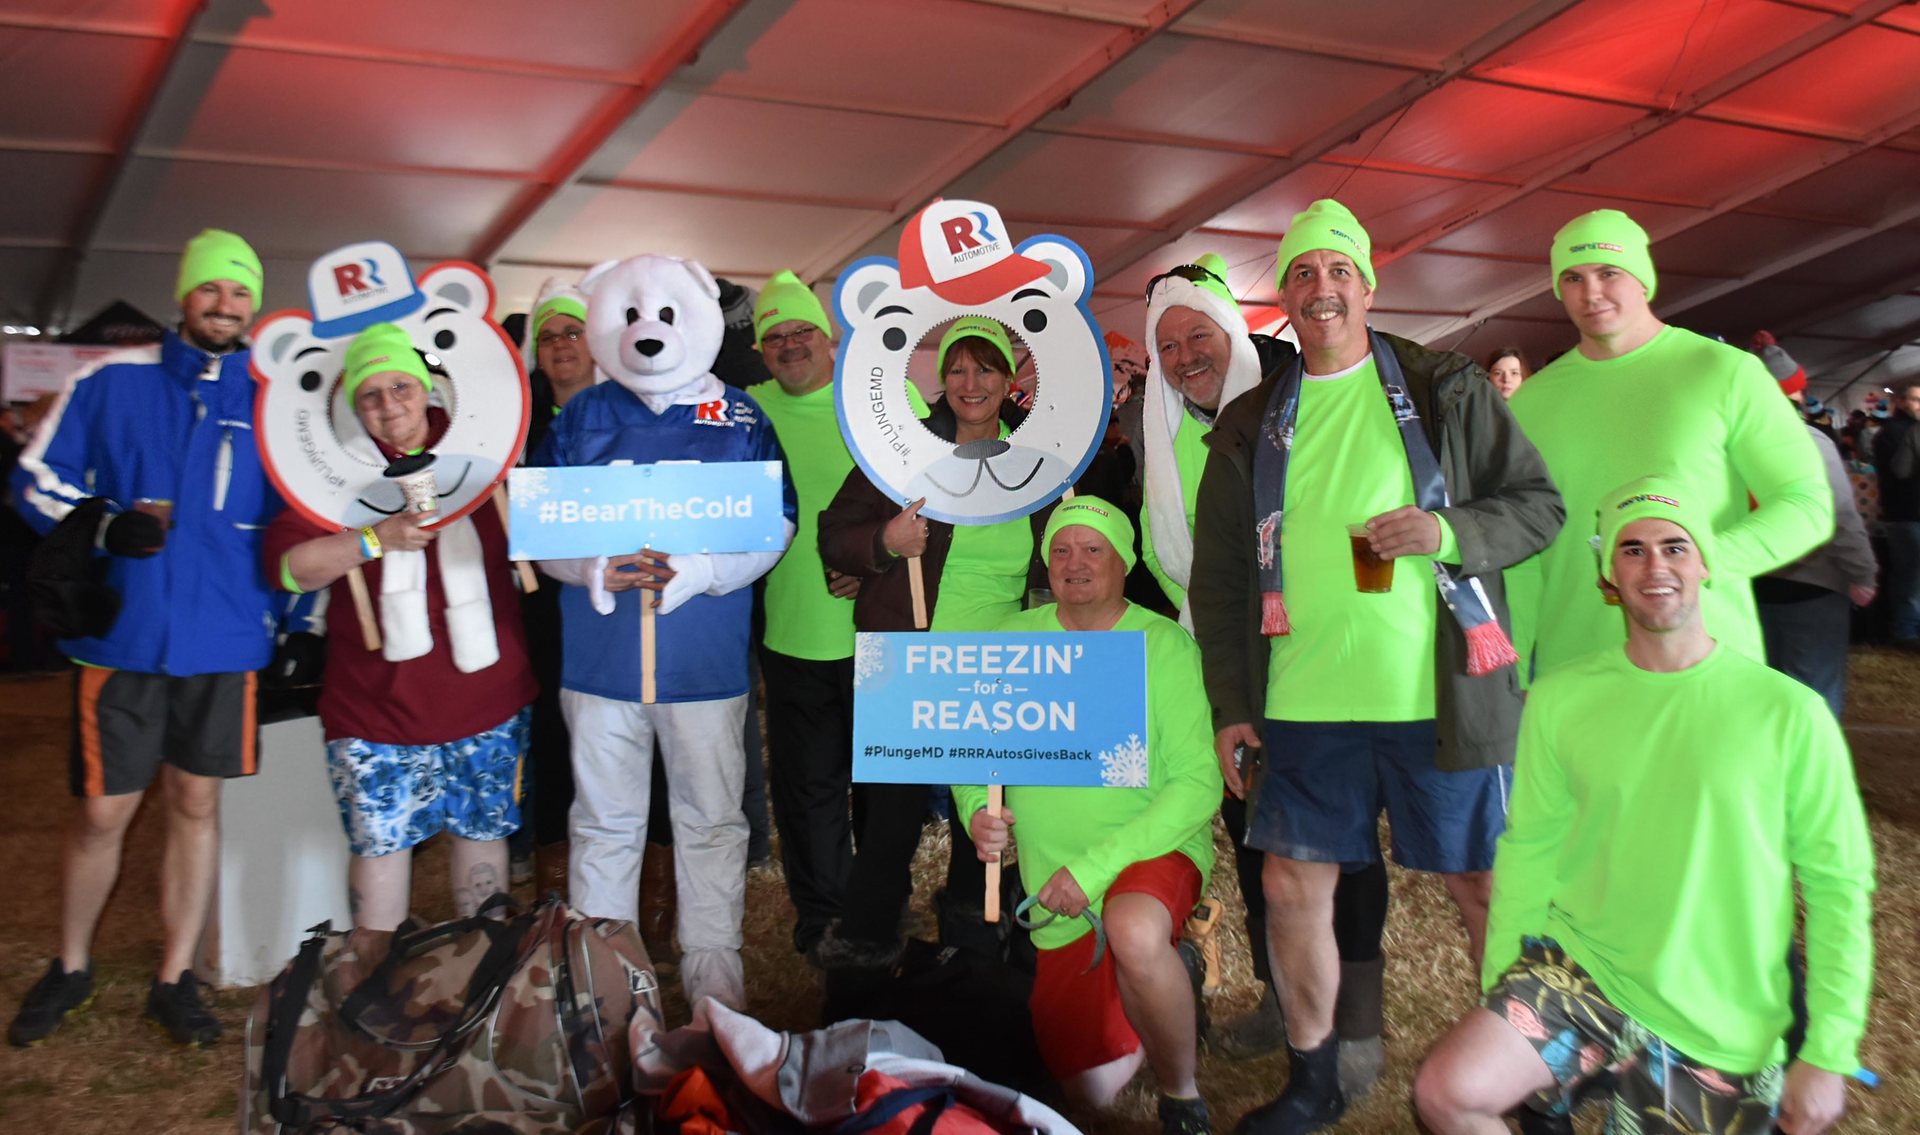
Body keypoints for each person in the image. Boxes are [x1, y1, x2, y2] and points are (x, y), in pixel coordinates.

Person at [1188, 199, 1563, 1134]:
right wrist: (1234, 704)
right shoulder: (1248, 424)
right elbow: (1223, 581)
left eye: (1338, 271)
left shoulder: (1445, 388)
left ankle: (1534, 1084)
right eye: (1303, 274)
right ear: (1283, 294)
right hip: (1306, 705)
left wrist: (1447, 530)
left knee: (1484, 886)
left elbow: (1537, 506)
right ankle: (1312, 1079)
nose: (1322, 289)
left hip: (1440, 697)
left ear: (1369, 283)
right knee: (1288, 885)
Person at [1414, 477, 1875, 1135]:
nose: (1655, 566)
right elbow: (1529, 848)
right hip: (1584, 970)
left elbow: (1840, 889)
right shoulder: (1560, 697)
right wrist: (1503, 981)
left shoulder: (1789, 713)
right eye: (1632, 550)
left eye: (1675, 546)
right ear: (1609, 572)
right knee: (1446, 1091)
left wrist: (1828, 1052)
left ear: (1705, 562)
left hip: (1720, 1013)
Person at [9, 230, 279, 1047]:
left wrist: (300, 622)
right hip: (122, 637)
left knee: (198, 803)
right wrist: (99, 528)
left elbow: (294, 511)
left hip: (227, 638)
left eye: (240, 293)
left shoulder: (274, 396)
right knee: (102, 810)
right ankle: (71, 964)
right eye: (212, 289)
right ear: (184, 294)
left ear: (253, 306)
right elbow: (35, 478)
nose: (225, 305)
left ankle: (175, 976)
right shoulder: (109, 381)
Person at [1142, 252, 1391, 1078]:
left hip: (1315, 659)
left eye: (1199, 336)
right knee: (1257, 837)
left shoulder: (1293, 396)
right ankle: (1286, 999)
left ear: (1233, 331)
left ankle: (1354, 1023)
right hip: (1226, 657)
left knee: (1336, 844)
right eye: (1168, 346)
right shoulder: (1162, 427)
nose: (1185, 358)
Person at [532, 260, 795, 1010]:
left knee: (711, 821)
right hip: (601, 664)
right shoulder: (580, 418)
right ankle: (605, 996)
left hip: (702, 665)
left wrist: (706, 567)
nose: (651, 335)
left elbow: (777, 520)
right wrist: (587, 563)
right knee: (604, 824)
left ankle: (717, 990)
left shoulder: (741, 418)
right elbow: (543, 529)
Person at [264, 322, 537, 930]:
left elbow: (557, 536)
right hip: (374, 706)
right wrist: (372, 540)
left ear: (425, 388)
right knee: (381, 850)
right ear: (352, 404)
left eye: (401, 388)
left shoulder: (488, 450)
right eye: (371, 395)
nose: (389, 406)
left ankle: (484, 988)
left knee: (482, 837)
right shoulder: (327, 472)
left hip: (486, 697)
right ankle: (373, 996)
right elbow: (289, 569)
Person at [962, 497, 1219, 1135]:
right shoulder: (1011, 641)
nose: (1074, 564)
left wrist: (1095, 870)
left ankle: (1181, 1094)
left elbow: (1198, 783)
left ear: (1124, 562)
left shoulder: (1163, 646)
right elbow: (972, 751)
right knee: (1091, 1091)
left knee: (1133, 930)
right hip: (1057, 892)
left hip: (1147, 854)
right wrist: (975, 812)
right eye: (1060, 550)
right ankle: (1168, 972)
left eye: (1092, 550)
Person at [1505, 210, 1832, 678]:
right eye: (1572, 278)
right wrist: (1508, 670)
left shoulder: (1724, 372)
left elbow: (1805, 504)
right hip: (1576, 670)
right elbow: (1522, 548)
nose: (1590, 292)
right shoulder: (1531, 402)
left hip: (1710, 663)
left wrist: (1702, 562)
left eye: (1608, 272)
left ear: (1643, 280)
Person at [816, 315, 1051, 967]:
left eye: (985, 369)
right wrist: (882, 544)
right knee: (889, 823)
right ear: (941, 378)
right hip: (909, 660)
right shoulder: (904, 450)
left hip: (1001, 665)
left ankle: (973, 943)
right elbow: (834, 531)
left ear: (1009, 380)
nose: (970, 383)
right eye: (957, 369)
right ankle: (866, 942)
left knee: (991, 817)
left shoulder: (1040, 464)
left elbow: (1066, 555)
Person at [745, 271, 894, 957]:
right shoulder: (745, 412)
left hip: (881, 635)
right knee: (809, 792)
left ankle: (874, 913)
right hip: (792, 634)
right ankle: (821, 918)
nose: (789, 344)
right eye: (774, 337)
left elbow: (921, 506)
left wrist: (871, 559)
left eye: (801, 330)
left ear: (832, 338)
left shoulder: (881, 402)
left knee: (882, 786)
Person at [518, 279, 597, 900]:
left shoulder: (625, 409)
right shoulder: (516, 425)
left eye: (573, 331)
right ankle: (552, 879)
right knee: (551, 731)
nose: (562, 344)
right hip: (545, 602)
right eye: (549, 336)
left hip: (615, 600)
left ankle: (626, 879)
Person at [1748, 335, 1878, 714]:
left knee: (1766, 691)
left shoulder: (1730, 437)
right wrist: (1863, 574)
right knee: (1813, 695)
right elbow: (1839, 515)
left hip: (1751, 579)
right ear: (1797, 393)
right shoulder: (1808, 440)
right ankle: (1813, 772)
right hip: (1811, 584)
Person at [1873, 381, 1920, 645]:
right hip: (1904, 514)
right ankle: (1905, 634)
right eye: (1915, 400)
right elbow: (1899, 473)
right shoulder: (1893, 431)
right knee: (1910, 578)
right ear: (1901, 402)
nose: (1919, 405)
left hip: (1909, 514)